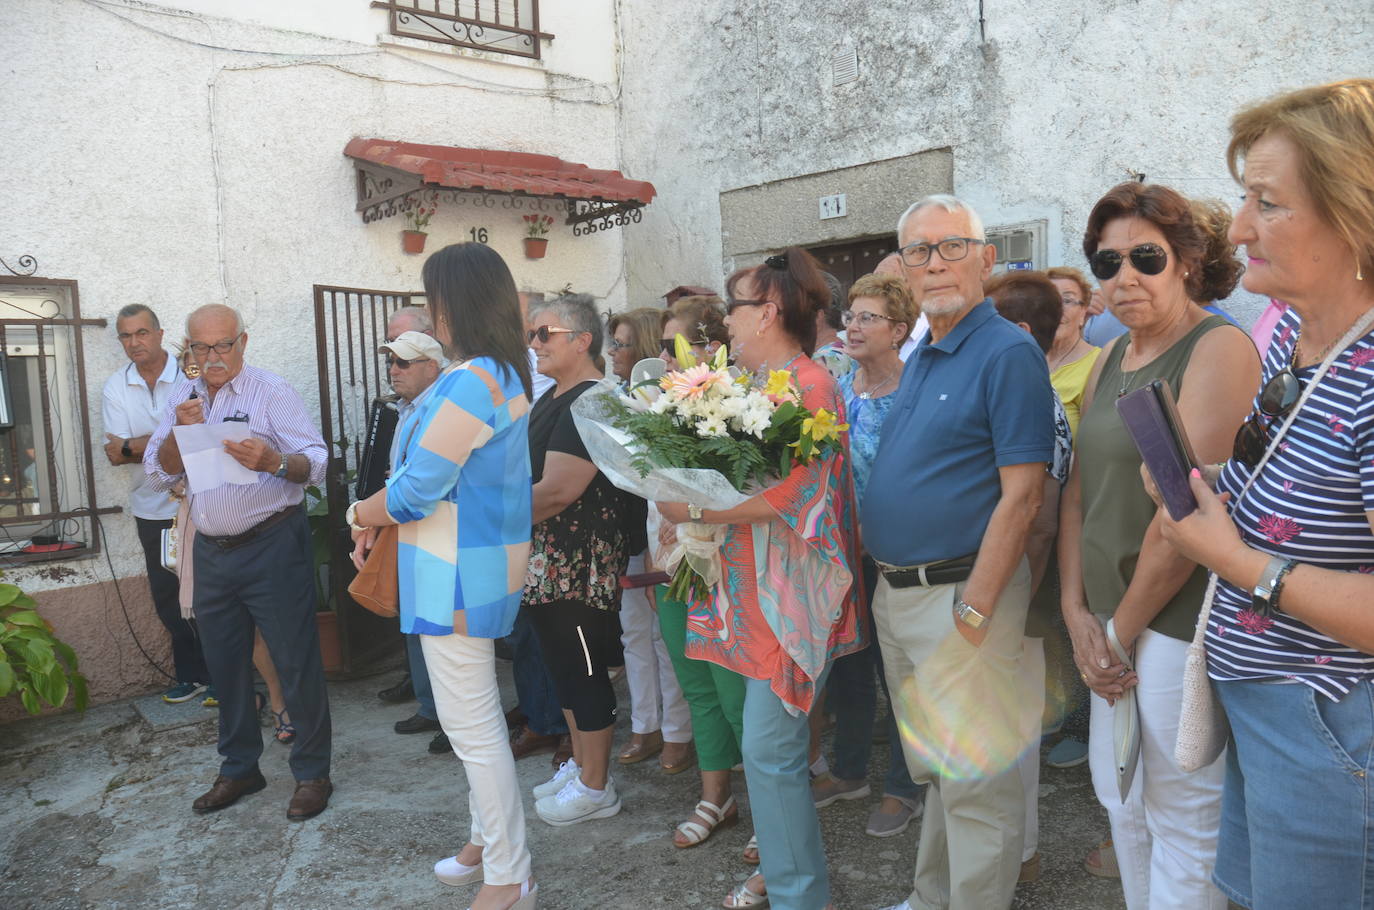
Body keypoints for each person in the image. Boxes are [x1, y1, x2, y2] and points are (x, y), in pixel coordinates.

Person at [1155, 78, 1374, 910]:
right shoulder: (1286, 332)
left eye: (1268, 203)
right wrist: (1197, 490)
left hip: (1330, 723)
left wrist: (1240, 562)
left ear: (1357, 212)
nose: (1239, 228)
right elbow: (1287, 491)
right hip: (1265, 712)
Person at [1058, 181, 1258, 910]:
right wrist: (1075, 610)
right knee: (1124, 809)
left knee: (1185, 825)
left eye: (1146, 256)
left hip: (1174, 624)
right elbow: (1079, 493)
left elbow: (1182, 523)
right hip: (1110, 622)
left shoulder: (1218, 347)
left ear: (1186, 260)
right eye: (1107, 263)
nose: (1125, 277)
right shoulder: (1114, 358)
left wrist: (1116, 631)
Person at [658, 246, 863, 910]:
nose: (726, 318)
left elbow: (796, 498)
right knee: (768, 756)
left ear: (769, 310)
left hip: (789, 599)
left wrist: (692, 508)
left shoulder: (811, 386)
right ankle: (784, 879)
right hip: (749, 593)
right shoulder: (748, 385)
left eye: (735, 304)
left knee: (773, 756)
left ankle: (800, 893)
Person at [864, 195, 1054, 910]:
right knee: (941, 772)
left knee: (978, 787)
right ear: (904, 268)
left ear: (986, 258)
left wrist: (974, 607)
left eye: (950, 247)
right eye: (919, 251)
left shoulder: (1006, 351)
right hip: (904, 596)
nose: (934, 263)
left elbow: (1023, 497)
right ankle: (931, 896)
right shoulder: (927, 351)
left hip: (958, 598)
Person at [348, 242, 538, 910]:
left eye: (433, 300)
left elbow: (414, 492)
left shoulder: (471, 380)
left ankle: (510, 876)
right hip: (473, 563)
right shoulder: (502, 374)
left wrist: (357, 511)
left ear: (454, 303)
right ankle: (487, 841)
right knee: (473, 720)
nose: (430, 312)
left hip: (454, 568)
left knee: (474, 727)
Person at [145, 304, 333, 820]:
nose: (212, 357)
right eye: (201, 347)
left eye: (222, 345)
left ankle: (313, 773)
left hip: (272, 543)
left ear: (243, 343)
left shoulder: (270, 391)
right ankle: (239, 769)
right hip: (212, 550)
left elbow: (316, 460)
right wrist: (180, 443)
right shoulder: (183, 399)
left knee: (295, 662)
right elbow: (157, 476)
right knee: (224, 666)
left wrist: (274, 461)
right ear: (189, 349)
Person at [811, 273, 927, 839]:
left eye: (868, 318)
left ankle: (906, 786)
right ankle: (850, 770)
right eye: (850, 316)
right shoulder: (839, 387)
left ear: (900, 331)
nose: (852, 327)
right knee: (849, 667)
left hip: (892, 556)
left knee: (897, 674)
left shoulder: (912, 392)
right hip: (840, 555)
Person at [524, 293, 634, 826]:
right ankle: (583, 766)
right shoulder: (553, 396)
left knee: (587, 670)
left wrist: (482, 516)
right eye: (533, 334)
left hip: (580, 560)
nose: (534, 343)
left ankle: (597, 785)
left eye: (545, 333)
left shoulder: (594, 399)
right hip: (546, 559)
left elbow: (557, 491)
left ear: (582, 340)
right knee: (564, 669)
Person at [648, 294, 752, 855]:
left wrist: (689, 517)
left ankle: (769, 809)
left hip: (722, 567)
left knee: (736, 696)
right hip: (672, 565)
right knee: (697, 689)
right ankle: (716, 797)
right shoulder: (660, 404)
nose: (663, 358)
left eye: (672, 346)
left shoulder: (739, 404)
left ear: (711, 347)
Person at [986, 270, 1073, 885]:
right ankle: (1021, 858)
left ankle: (1017, 862)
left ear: (1017, 332)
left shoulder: (1032, 401)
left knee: (1009, 740)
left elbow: (1038, 522)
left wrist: (1009, 604)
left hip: (1022, 592)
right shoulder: (1031, 390)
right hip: (1017, 589)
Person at [101, 304, 211, 706]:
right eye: (126, 336)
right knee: (168, 597)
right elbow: (116, 453)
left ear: (160, 334)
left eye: (142, 333)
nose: (135, 343)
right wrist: (170, 435)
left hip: (199, 504)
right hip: (152, 509)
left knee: (207, 593)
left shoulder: (189, 374)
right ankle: (190, 676)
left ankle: (220, 677)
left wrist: (136, 444)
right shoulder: (116, 386)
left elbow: (202, 432)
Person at [606, 306, 694, 770]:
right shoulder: (615, 396)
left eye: (621, 344)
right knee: (633, 633)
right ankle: (645, 725)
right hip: (624, 530)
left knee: (667, 635)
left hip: (662, 524)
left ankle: (679, 731)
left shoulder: (671, 395)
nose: (613, 352)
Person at [376, 328, 449, 755]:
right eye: (391, 361)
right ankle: (431, 707)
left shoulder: (441, 409)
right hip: (409, 525)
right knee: (415, 623)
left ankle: (451, 716)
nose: (393, 369)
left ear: (431, 367)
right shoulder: (408, 407)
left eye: (403, 362)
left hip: (435, 529)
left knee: (437, 626)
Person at [507, 291, 571, 768]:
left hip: (549, 510)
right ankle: (540, 718)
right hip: (518, 503)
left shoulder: (547, 376)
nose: (533, 339)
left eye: (539, 330)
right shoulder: (503, 368)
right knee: (526, 626)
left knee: (561, 632)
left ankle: (571, 729)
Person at [1044, 266, 1102, 438]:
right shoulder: (1024, 361)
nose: (1057, 309)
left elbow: (1095, 442)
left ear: (1084, 311)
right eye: (1048, 300)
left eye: (1067, 300)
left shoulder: (1098, 364)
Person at [874, 252, 930, 357]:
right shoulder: (871, 332)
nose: (877, 291)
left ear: (912, 286)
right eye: (874, 281)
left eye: (889, 285)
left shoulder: (933, 334)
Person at [607, 307, 663, 383]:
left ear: (644, 350)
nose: (610, 351)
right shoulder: (620, 392)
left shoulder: (673, 393)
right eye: (613, 343)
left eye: (618, 344)